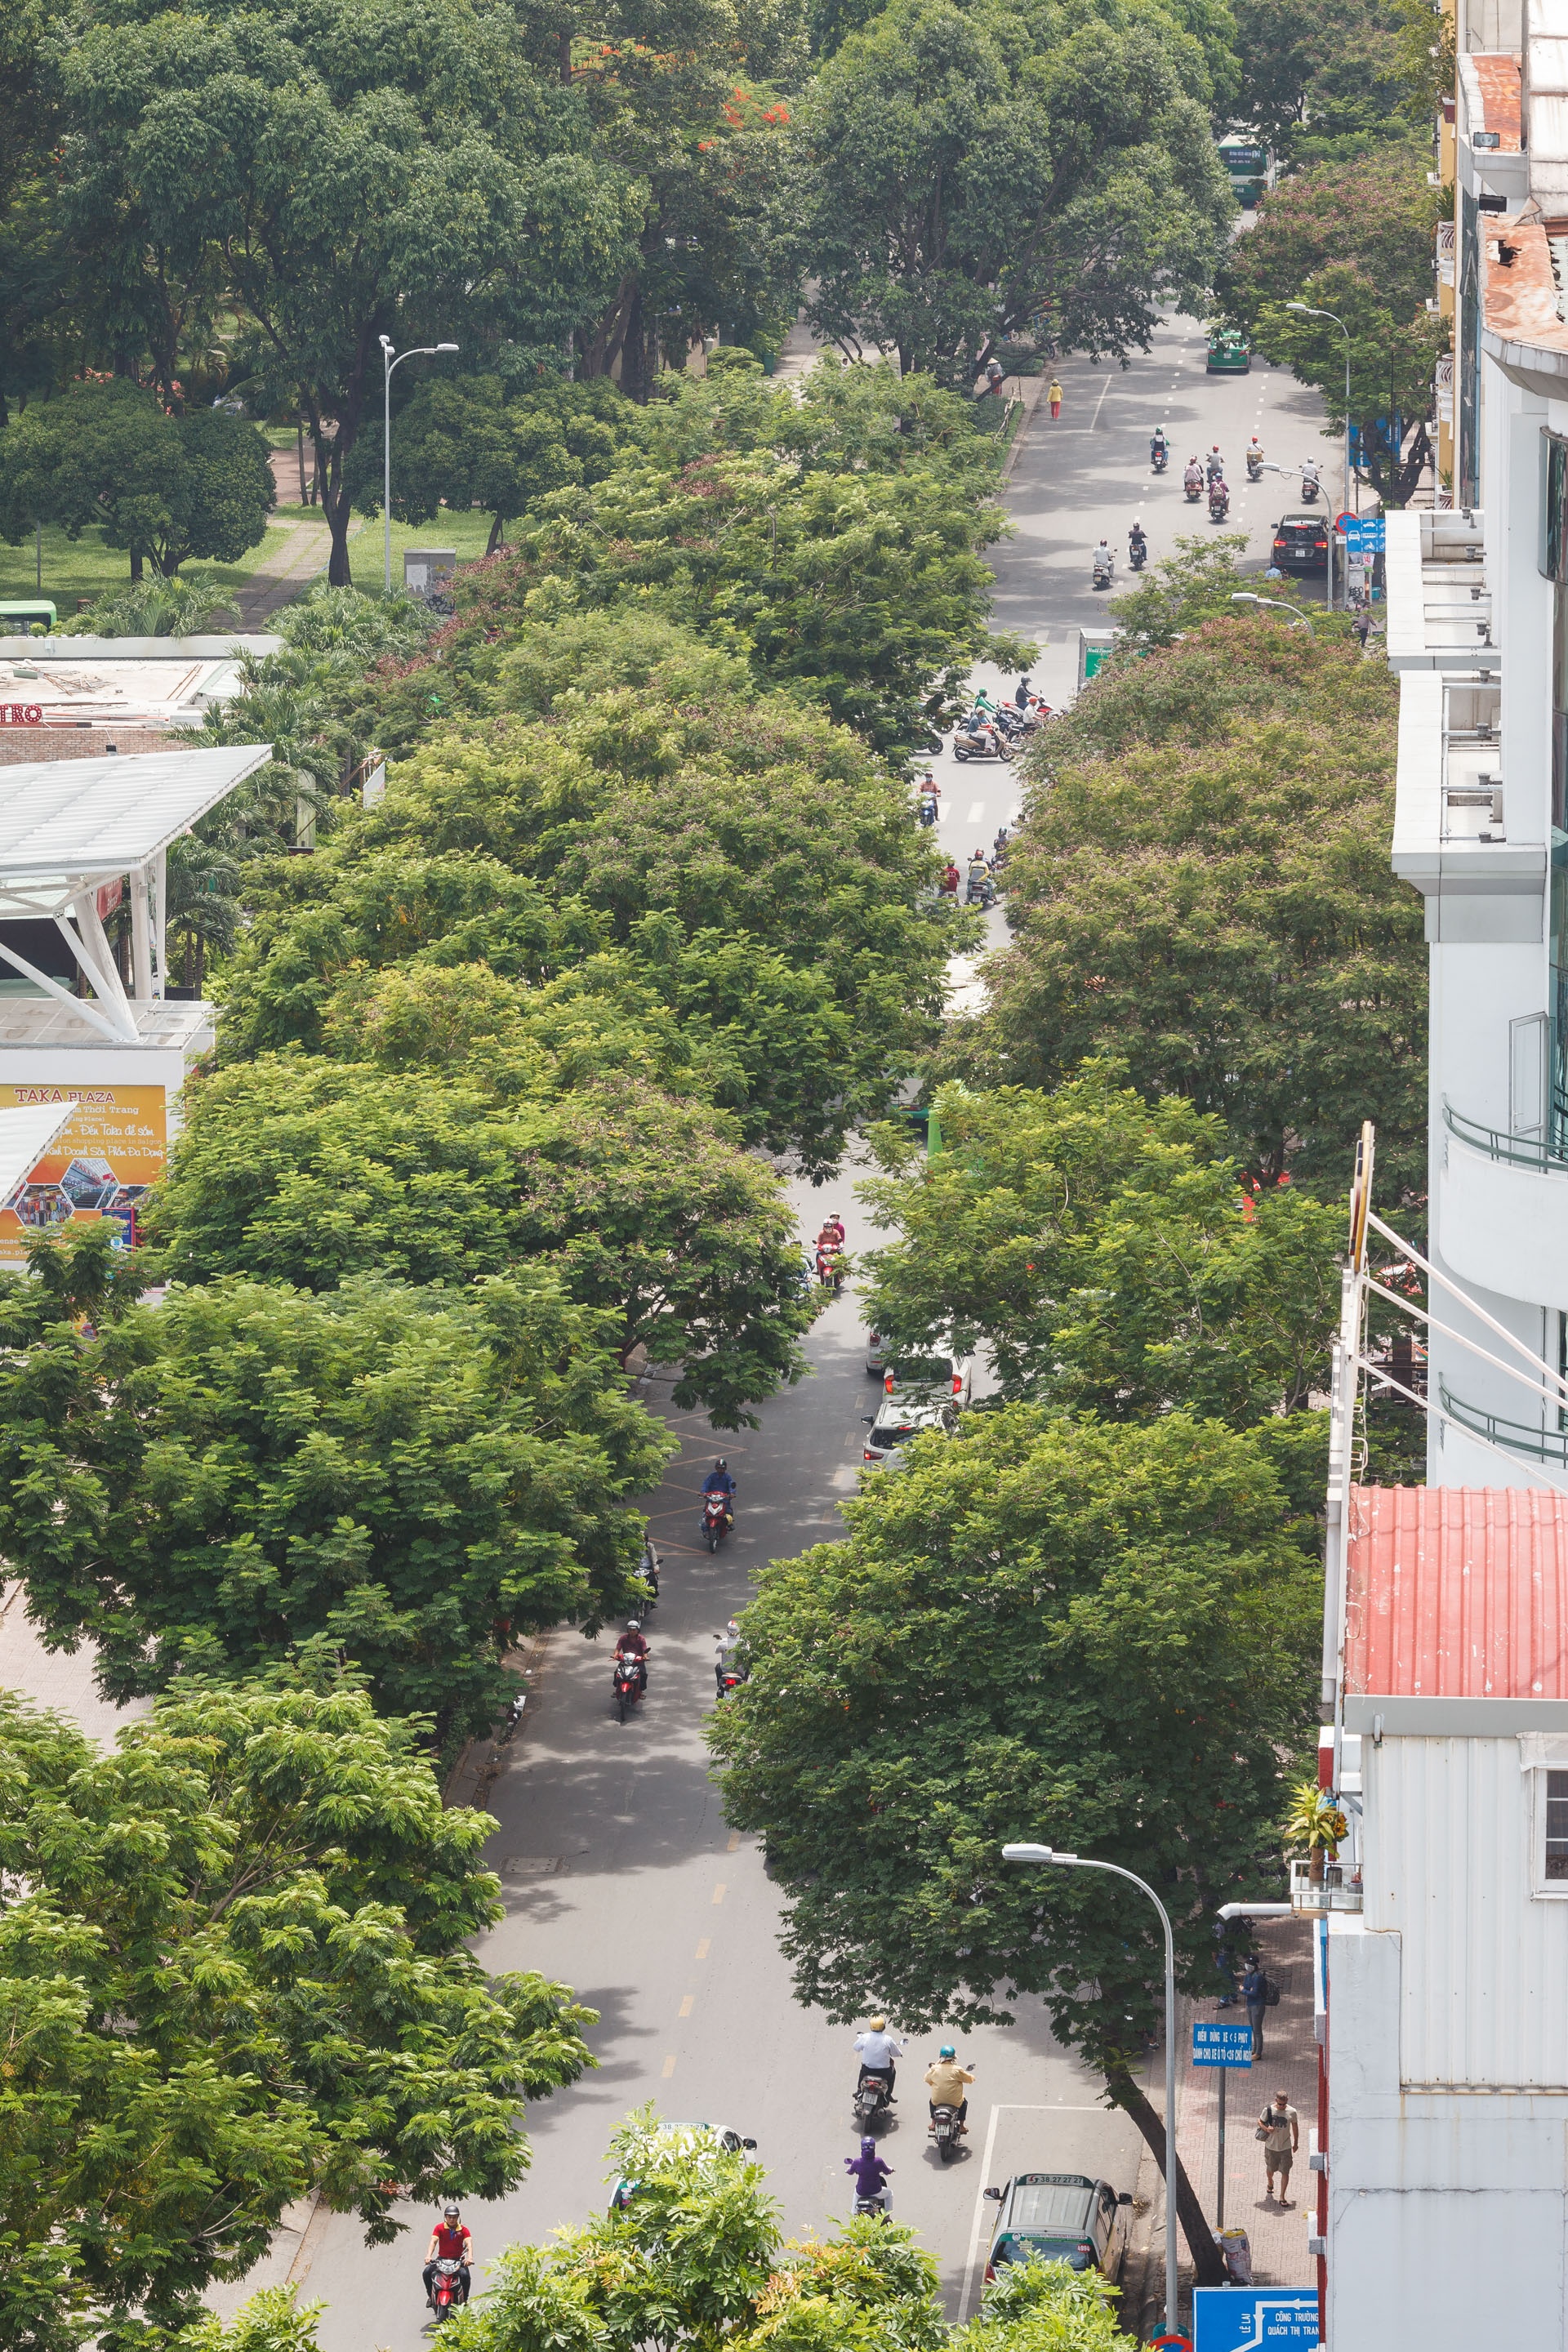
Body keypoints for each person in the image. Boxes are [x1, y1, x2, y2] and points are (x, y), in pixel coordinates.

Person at [423, 2204, 472, 2307]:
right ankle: (430, 2297)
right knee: (427, 2272)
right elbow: (434, 2241)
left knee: (465, 2276)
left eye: (454, 2217)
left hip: (458, 2261)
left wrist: (469, 2258)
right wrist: (428, 2256)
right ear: (445, 2217)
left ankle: (465, 2300)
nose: (452, 2219)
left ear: (458, 2217)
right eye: (449, 2217)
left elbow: (469, 2244)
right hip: (442, 2259)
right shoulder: (439, 2228)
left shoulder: (464, 2230)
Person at [1258, 2088, 1299, 2204]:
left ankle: (1282, 2197)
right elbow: (1260, 2121)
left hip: (1285, 2147)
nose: (1282, 2106)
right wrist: (1266, 2129)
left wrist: (1296, 2143)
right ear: (1276, 2100)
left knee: (1285, 2171)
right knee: (1270, 2169)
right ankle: (1270, 2182)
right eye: (1280, 2104)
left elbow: (1295, 2128)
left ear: (1287, 2100)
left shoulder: (1292, 2112)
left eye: (1284, 2104)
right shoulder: (1268, 2110)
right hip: (1271, 2146)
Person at [924, 2043, 974, 2134]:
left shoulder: (934, 2068)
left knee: (931, 2101)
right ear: (953, 2058)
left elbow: (927, 2079)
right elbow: (969, 2079)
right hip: (955, 2101)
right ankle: (962, 2126)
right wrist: (971, 2077)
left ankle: (933, 2123)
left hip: (937, 2100)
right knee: (964, 2103)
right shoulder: (957, 2070)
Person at [854, 2016, 905, 2099]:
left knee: (862, 2068)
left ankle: (859, 2090)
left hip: (867, 2070)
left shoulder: (865, 2037)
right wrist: (900, 2054)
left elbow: (856, 2048)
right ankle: (888, 2095)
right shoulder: (888, 2039)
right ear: (883, 2026)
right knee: (893, 2072)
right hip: (884, 2072)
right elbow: (896, 2053)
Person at [845, 2136, 893, 2213]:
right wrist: (890, 2170)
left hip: (861, 2192)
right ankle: (887, 2216)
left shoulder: (856, 2162)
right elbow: (887, 2171)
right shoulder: (879, 2161)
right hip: (877, 2191)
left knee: (855, 2194)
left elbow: (850, 2172)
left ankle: (854, 2215)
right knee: (889, 2193)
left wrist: (847, 2171)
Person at [1241, 1955, 1267, 2055]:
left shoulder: (1258, 1977)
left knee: (1257, 2030)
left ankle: (1258, 2052)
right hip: (1250, 2004)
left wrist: (1244, 1991)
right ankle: (1255, 2049)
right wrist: (1247, 1990)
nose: (1247, 1967)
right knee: (1253, 2029)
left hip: (1257, 2005)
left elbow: (1254, 1993)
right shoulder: (1248, 1976)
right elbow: (1246, 1986)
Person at [616, 1619, 649, 1692]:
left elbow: (644, 1649)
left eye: (634, 1630)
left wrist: (645, 1657)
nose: (632, 1631)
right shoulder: (623, 1638)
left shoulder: (641, 1639)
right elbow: (618, 1648)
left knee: (643, 1673)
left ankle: (641, 1690)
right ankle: (617, 1689)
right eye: (630, 1630)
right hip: (626, 1660)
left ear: (638, 1630)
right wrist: (615, 1655)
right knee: (617, 1672)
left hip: (638, 1661)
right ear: (628, 1630)